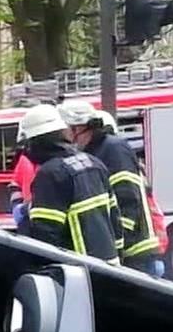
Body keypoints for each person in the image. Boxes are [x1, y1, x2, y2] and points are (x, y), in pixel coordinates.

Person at [60, 101, 158, 270]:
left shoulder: (113, 149)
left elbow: (128, 196)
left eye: (67, 131)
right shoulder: (91, 152)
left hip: (134, 250)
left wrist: (117, 243)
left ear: (79, 128)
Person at [16, 105, 120, 264]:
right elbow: (115, 222)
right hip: (111, 268)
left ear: (35, 142)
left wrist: (24, 221)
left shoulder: (50, 174)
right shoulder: (94, 163)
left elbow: (44, 239)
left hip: (79, 275)